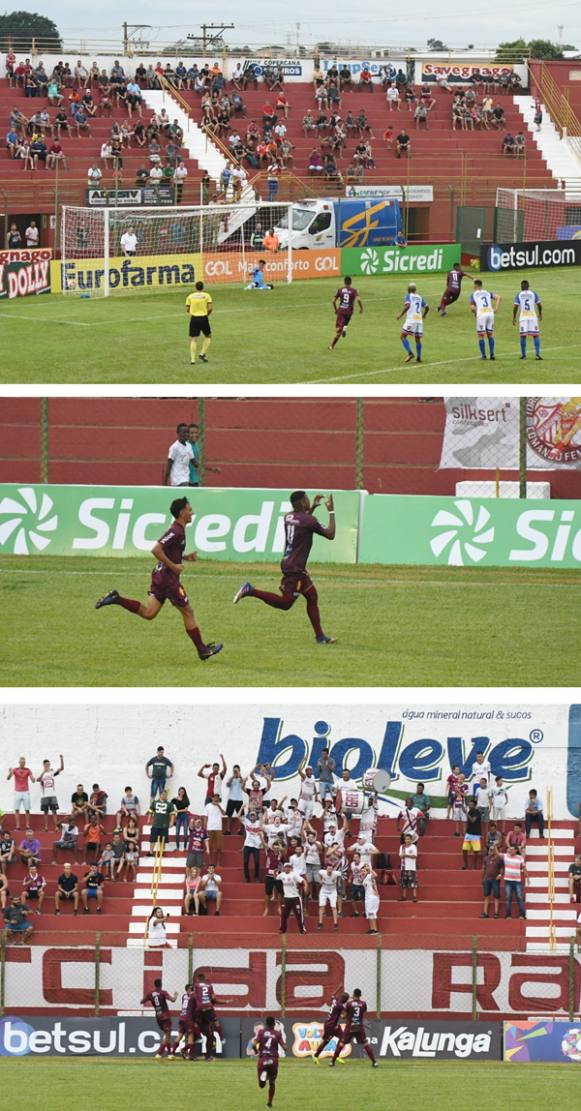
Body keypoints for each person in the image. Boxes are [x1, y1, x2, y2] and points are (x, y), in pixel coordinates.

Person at [95, 497, 222, 662]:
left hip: (161, 576)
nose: (193, 513)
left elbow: (169, 551)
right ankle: (202, 650)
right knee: (188, 611)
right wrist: (174, 566)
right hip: (168, 580)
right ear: (182, 512)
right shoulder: (176, 531)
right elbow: (156, 549)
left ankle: (116, 598)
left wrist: (184, 558)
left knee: (149, 613)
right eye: (190, 510)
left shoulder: (179, 531)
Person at [233, 490, 336, 644]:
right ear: (302, 503)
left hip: (292, 564)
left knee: (312, 596)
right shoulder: (309, 520)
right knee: (285, 603)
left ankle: (320, 636)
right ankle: (250, 590)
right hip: (295, 568)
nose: (308, 501)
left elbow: (302, 520)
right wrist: (331, 511)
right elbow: (330, 534)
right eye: (307, 500)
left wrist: (312, 507)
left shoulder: (288, 517)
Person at [330, 989, 377, 1067]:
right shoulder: (363, 1004)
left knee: (341, 1044)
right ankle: (374, 1062)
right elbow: (363, 1012)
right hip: (359, 1027)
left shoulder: (349, 1004)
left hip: (350, 1027)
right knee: (365, 1044)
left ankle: (332, 1062)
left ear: (353, 995)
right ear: (360, 995)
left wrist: (342, 1015)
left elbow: (344, 1016)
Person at [253, 1015, 287, 1107]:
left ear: (266, 1024)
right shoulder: (277, 1034)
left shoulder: (261, 1032)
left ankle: (263, 1077)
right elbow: (285, 1047)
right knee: (272, 1083)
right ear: (273, 1025)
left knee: (261, 1085)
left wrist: (256, 1051)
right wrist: (284, 1047)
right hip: (273, 1060)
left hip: (263, 1059)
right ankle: (269, 1103)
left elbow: (254, 1044)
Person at [141, 978, 177, 1058]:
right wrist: (175, 995)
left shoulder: (150, 994)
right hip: (165, 1016)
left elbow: (142, 1001)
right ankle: (159, 1053)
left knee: (166, 1035)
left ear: (155, 985)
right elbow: (173, 1000)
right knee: (168, 1035)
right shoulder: (163, 992)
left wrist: (148, 999)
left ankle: (170, 1054)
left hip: (158, 1016)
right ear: (161, 984)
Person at [312, 989, 349, 1061]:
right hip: (330, 1025)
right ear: (345, 1000)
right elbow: (345, 1015)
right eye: (346, 1000)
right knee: (326, 1041)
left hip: (334, 1025)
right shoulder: (340, 1005)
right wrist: (344, 1016)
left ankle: (336, 1055)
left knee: (343, 1038)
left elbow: (333, 995)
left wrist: (338, 988)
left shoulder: (335, 1000)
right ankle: (315, 1056)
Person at [397, 283, 428, 364]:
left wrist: (400, 315)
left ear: (408, 290)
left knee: (402, 336)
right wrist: (424, 315)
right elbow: (427, 307)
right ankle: (419, 358)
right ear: (415, 290)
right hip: (419, 320)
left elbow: (407, 306)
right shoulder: (419, 297)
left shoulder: (408, 295)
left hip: (411, 319)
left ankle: (410, 353)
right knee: (417, 339)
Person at [329, 276, 363, 350]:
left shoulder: (340, 290)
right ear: (351, 282)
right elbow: (359, 300)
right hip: (349, 312)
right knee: (345, 323)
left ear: (344, 282)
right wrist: (361, 309)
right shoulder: (354, 290)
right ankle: (344, 329)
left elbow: (333, 301)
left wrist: (336, 310)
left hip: (341, 311)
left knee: (338, 330)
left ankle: (332, 345)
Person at [470, 279, 500, 361]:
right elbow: (498, 297)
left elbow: (472, 308)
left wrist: (475, 313)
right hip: (490, 314)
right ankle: (492, 354)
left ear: (475, 286)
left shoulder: (473, 294)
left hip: (482, 315)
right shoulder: (487, 293)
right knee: (490, 334)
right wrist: (496, 309)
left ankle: (483, 355)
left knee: (481, 335)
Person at [513, 280, 542, 361]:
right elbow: (539, 304)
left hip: (523, 318)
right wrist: (540, 314)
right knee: (535, 335)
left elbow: (515, 307)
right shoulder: (533, 293)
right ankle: (537, 355)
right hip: (533, 317)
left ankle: (524, 355)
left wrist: (514, 317)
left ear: (521, 287)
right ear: (528, 286)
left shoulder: (519, 294)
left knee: (523, 336)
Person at [185, 279, 213, 365]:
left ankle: (193, 360)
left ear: (195, 287)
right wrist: (206, 314)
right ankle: (202, 353)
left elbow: (187, 308)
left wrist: (192, 312)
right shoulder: (207, 296)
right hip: (203, 318)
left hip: (194, 319)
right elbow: (210, 308)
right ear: (203, 287)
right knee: (208, 336)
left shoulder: (190, 296)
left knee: (194, 339)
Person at [279, 859, 307, 933]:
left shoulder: (294, 874)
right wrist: (275, 873)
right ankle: (282, 929)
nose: (287, 868)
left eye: (289, 867)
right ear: (284, 868)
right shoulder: (282, 875)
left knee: (299, 915)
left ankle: (302, 929)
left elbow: (303, 881)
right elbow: (276, 877)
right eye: (286, 867)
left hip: (295, 898)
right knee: (284, 915)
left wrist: (305, 887)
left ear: (291, 868)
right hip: (286, 898)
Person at [37, 754, 64, 831]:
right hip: (44, 796)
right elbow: (38, 780)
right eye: (46, 764)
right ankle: (46, 827)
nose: (47, 765)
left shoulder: (52, 772)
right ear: (43, 765)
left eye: (48, 764)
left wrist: (61, 758)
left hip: (52, 795)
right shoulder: (42, 773)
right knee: (45, 812)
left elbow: (61, 768)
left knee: (54, 811)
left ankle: (56, 827)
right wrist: (43, 772)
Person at [7, 757, 35, 829]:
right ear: (19, 762)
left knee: (27, 809)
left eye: (24, 762)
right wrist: (10, 773)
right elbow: (8, 778)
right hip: (17, 791)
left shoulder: (27, 770)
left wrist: (33, 778)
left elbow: (33, 780)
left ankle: (27, 825)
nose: (23, 763)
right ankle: (17, 826)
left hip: (26, 791)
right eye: (21, 762)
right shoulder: (15, 770)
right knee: (16, 809)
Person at [503, 845, 527, 919]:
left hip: (517, 881)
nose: (510, 850)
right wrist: (494, 847)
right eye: (510, 849)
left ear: (516, 850)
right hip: (508, 880)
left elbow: (524, 867)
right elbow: (497, 853)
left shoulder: (520, 857)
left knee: (519, 897)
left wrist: (527, 877)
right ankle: (508, 915)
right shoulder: (506, 856)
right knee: (508, 897)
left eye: (512, 849)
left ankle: (522, 915)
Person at [148, 789, 175, 854]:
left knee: (163, 839)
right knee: (153, 839)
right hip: (155, 824)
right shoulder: (155, 802)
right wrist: (149, 819)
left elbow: (172, 813)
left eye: (165, 794)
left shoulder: (170, 804)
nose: (164, 795)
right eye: (163, 794)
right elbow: (150, 811)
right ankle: (151, 852)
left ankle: (161, 851)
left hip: (164, 825)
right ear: (160, 795)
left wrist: (171, 822)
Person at [481, 845, 503, 919]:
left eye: (492, 850)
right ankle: (485, 912)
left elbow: (502, 868)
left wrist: (500, 874)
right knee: (486, 896)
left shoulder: (499, 859)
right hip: (487, 879)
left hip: (495, 879)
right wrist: (482, 878)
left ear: (495, 850)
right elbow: (484, 868)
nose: (491, 851)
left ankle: (496, 913)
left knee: (496, 896)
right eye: (490, 850)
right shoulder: (486, 858)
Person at [318, 863, 341, 931]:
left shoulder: (336, 873)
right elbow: (319, 873)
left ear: (333, 869)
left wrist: (338, 882)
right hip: (324, 890)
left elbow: (340, 876)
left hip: (333, 891)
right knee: (322, 906)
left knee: (333, 907)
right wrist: (320, 880)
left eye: (331, 869)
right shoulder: (322, 872)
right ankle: (320, 923)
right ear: (326, 869)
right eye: (328, 869)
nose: (329, 870)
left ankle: (335, 923)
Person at [205, 793, 226, 864]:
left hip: (218, 828)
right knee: (209, 847)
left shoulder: (221, 804)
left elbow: (224, 813)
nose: (216, 798)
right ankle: (209, 863)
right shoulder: (208, 806)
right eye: (214, 797)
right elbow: (205, 816)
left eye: (217, 797)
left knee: (219, 846)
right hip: (210, 828)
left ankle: (218, 863)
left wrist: (218, 805)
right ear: (212, 798)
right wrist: (205, 827)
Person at [462, 798, 482, 870]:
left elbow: (473, 821)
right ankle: (465, 865)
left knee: (475, 851)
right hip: (468, 833)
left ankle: (474, 865)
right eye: (469, 804)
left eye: (471, 804)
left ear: (475, 805)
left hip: (475, 834)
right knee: (464, 849)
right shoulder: (469, 811)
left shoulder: (477, 812)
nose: (470, 805)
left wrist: (466, 813)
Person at [225, 765, 245, 833]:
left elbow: (243, 784)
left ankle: (240, 830)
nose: (235, 772)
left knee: (240, 815)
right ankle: (228, 830)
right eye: (234, 770)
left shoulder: (241, 778)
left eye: (237, 770)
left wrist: (239, 775)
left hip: (239, 799)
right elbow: (227, 785)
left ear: (239, 771)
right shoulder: (230, 778)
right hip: (231, 799)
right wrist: (233, 776)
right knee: (229, 815)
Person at [399, 834, 418, 903]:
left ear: (411, 840)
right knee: (404, 883)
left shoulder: (413, 847)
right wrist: (403, 855)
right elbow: (400, 856)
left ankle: (414, 897)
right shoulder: (402, 847)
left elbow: (415, 856)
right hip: (404, 867)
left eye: (408, 839)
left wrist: (406, 855)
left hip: (411, 867)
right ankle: (404, 896)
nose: (407, 840)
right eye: (406, 839)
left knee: (413, 882)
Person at [362, 865, 380, 934]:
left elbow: (375, 875)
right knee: (369, 913)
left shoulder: (369, 876)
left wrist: (370, 869)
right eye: (362, 871)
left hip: (372, 897)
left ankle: (375, 929)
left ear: (367, 872)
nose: (363, 872)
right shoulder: (365, 879)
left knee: (372, 913)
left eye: (364, 871)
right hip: (368, 897)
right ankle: (372, 928)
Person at [172, 787, 190, 851]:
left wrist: (178, 811)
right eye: (180, 791)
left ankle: (185, 847)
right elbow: (170, 804)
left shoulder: (186, 799)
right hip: (179, 816)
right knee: (177, 832)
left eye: (183, 791)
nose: (182, 792)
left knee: (185, 832)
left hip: (185, 816)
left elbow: (186, 809)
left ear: (184, 792)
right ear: (178, 792)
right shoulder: (175, 799)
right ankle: (177, 847)